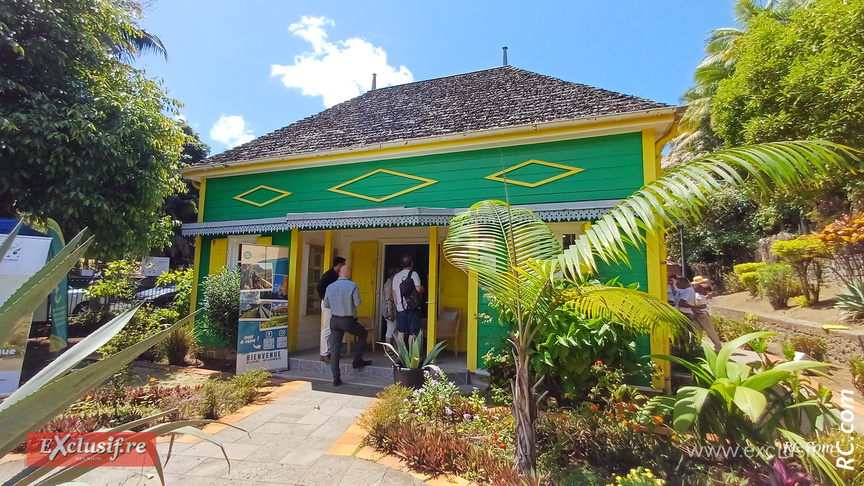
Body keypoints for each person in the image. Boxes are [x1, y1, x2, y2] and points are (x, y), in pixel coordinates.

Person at [322, 265, 372, 386]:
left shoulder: (330, 286)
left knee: (334, 349)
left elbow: (326, 304)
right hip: (347, 320)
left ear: (339, 273)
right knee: (363, 334)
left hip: (334, 320)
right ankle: (357, 360)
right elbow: (358, 303)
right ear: (348, 273)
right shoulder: (352, 285)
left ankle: (336, 377)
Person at [316, 256, 346, 363]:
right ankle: (324, 353)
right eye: (343, 264)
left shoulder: (336, 275)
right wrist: (324, 297)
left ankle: (332, 352)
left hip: (334, 304)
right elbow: (319, 286)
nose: (344, 267)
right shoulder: (329, 274)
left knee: (334, 327)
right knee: (327, 328)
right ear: (339, 264)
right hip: (328, 304)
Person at [392, 255, 425, 347]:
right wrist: (424, 288)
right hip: (412, 307)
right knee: (413, 332)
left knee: (401, 332)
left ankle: (401, 355)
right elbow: (418, 289)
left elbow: (394, 292)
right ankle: (412, 356)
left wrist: (397, 305)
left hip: (400, 308)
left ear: (401, 265)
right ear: (412, 263)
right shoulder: (413, 274)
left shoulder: (396, 276)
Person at [694, 281, 723, 351]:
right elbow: (697, 304)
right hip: (701, 313)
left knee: (699, 330)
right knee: (708, 330)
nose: (706, 294)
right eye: (705, 291)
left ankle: (697, 345)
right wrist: (699, 307)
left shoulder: (697, 295)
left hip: (699, 314)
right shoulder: (698, 295)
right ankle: (717, 345)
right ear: (702, 289)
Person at [380, 267, 398, 348]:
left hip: (391, 309)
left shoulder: (391, 282)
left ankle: (393, 349)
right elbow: (389, 297)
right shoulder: (389, 283)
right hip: (390, 309)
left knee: (393, 330)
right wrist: (389, 309)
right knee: (391, 329)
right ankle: (388, 349)